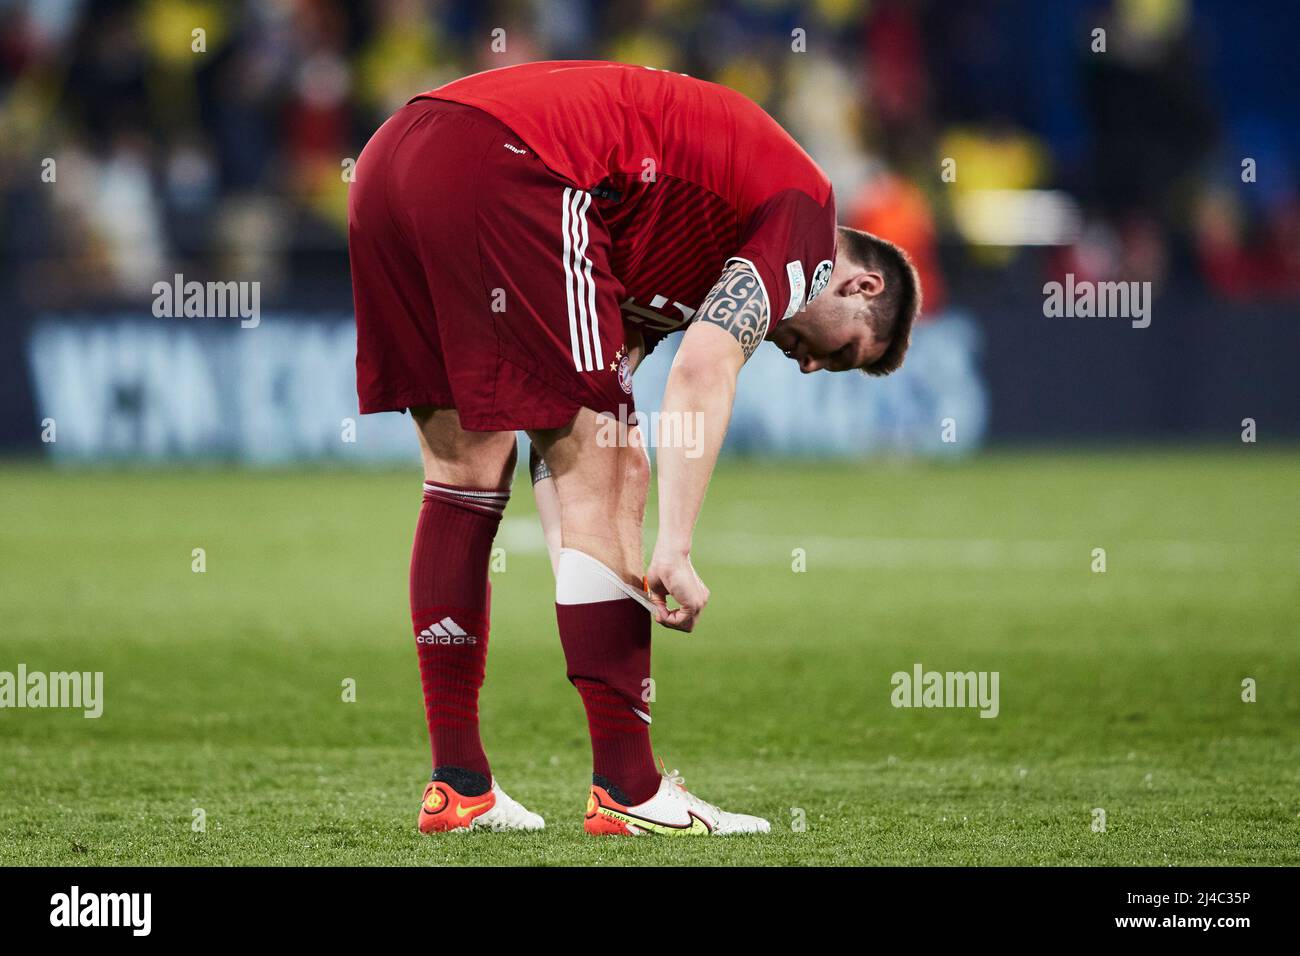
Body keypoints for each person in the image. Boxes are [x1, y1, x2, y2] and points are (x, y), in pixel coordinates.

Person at [348, 61, 920, 836]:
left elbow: (562, 431)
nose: (812, 365)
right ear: (863, 290)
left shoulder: (677, 246)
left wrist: (581, 559)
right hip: (515, 162)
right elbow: (705, 368)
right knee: (616, 465)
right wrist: (674, 548)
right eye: (844, 354)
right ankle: (630, 789)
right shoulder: (808, 220)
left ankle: (460, 788)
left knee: (466, 468)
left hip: (393, 159)